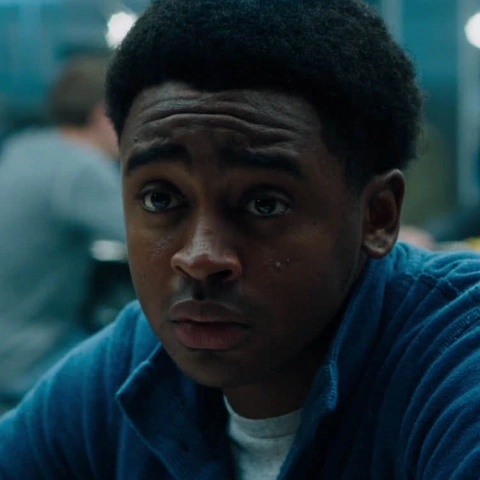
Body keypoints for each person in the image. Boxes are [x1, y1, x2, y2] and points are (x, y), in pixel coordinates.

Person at [1, 1, 480, 478]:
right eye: (160, 199)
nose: (199, 258)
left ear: (377, 216)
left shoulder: (457, 356)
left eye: (264, 204)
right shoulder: (128, 367)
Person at [0, 55, 125, 411]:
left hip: (7, 335)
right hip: (29, 354)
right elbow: (154, 236)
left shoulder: (24, 146)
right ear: (103, 115)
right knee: (144, 370)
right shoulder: (80, 167)